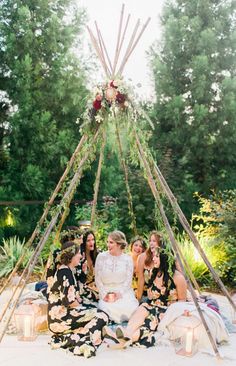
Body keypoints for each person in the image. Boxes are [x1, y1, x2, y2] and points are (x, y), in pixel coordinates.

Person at [109, 247, 187, 348]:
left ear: (165, 258)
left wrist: (169, 315)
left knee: (148, 322)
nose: (153, 258)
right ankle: (126, 334)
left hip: (167, 310)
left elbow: (182, 301)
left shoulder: (178, 278)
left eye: (157, 256)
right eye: (154, 256)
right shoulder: (155, 273)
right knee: (142, 308)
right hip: (152, 305)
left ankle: (123, 339)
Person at [47, 241, 108, 358]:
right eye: (78, 253)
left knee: (96, 313)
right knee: (102, 316)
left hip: (61, 315)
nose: (81, 256)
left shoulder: (67, 270)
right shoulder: (66, 273)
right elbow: (69, 302)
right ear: (71, 256)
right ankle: (77, 340)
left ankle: (80, 335)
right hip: (60, 319)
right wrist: (87, 311)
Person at [95, 230, 139, 324]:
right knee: (105, 311)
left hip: (123, 292)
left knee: (131, 310)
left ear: (119, 244)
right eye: (108, 242)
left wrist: (119, 294)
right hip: (106, 292)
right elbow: (97, 279)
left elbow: (128, 281)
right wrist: (104, 294)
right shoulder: (101, 257)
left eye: (111, 242)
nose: (108, 245)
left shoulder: (127, 259)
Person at [136, 231, 163, 302]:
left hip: (164, 294)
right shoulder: (142, 257)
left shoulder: (166, 258)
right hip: (148, 295)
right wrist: (138, 299)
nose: (151, 243)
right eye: (150, 241)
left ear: (161, 243)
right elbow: (140, 280)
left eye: (154, 241)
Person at [79, 230, 99, 304]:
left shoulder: (96, 255)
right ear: (83, 243)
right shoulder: (80, 258)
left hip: (96, 287)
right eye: (88, 240)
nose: (92, 243)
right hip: (84, 289)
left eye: (93, 240)